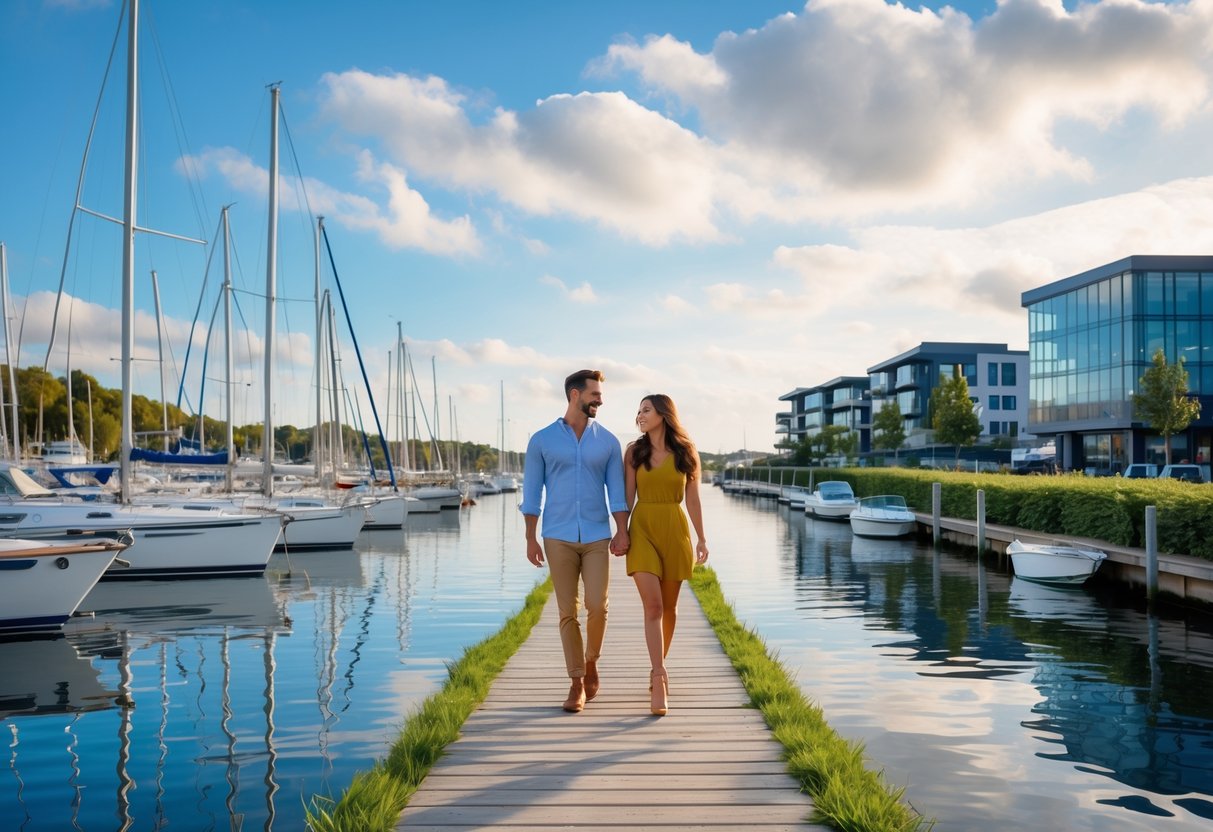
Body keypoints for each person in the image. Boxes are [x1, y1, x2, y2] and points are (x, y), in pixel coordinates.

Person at [521, 369, 630, 713]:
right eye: (594, 394)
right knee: (568, 611)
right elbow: (531, 493)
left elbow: (617, 493)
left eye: (600, 394)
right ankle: (576, 682)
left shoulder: (608, 442)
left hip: (598, 534)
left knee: (598, 605)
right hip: (557, 536)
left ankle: (592, 660)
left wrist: (622, 530)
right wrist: (530, 538)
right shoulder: (541, 440)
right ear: (574, 395)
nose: (600, 400)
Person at [621, 394, 708, 716]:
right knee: (654, 605)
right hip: (642, 527)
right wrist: (620, 530)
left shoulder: (687, 452)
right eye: (639, 410)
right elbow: (626, 498)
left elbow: (694, 500)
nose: (640, 415)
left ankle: (656, 666)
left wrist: (702, 538)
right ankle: (660, 677)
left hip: (675, 529)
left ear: (663, 414)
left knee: (669, 608)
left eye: (646, 410)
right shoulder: (634, 452)